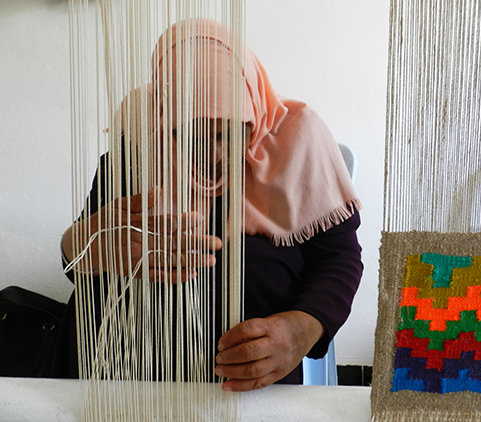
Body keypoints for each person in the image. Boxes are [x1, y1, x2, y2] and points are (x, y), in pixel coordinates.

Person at [55, 18, 363, 392]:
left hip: (250, 386)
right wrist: (85, 242)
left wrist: (301, 328)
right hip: (121, 383)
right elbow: (75, 260)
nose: (213, 154)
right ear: (166, 118)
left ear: (252, 109)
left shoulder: (297, 140)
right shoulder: (140, 137)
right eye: (190, 134)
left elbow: (340, 257)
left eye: (228, 133)